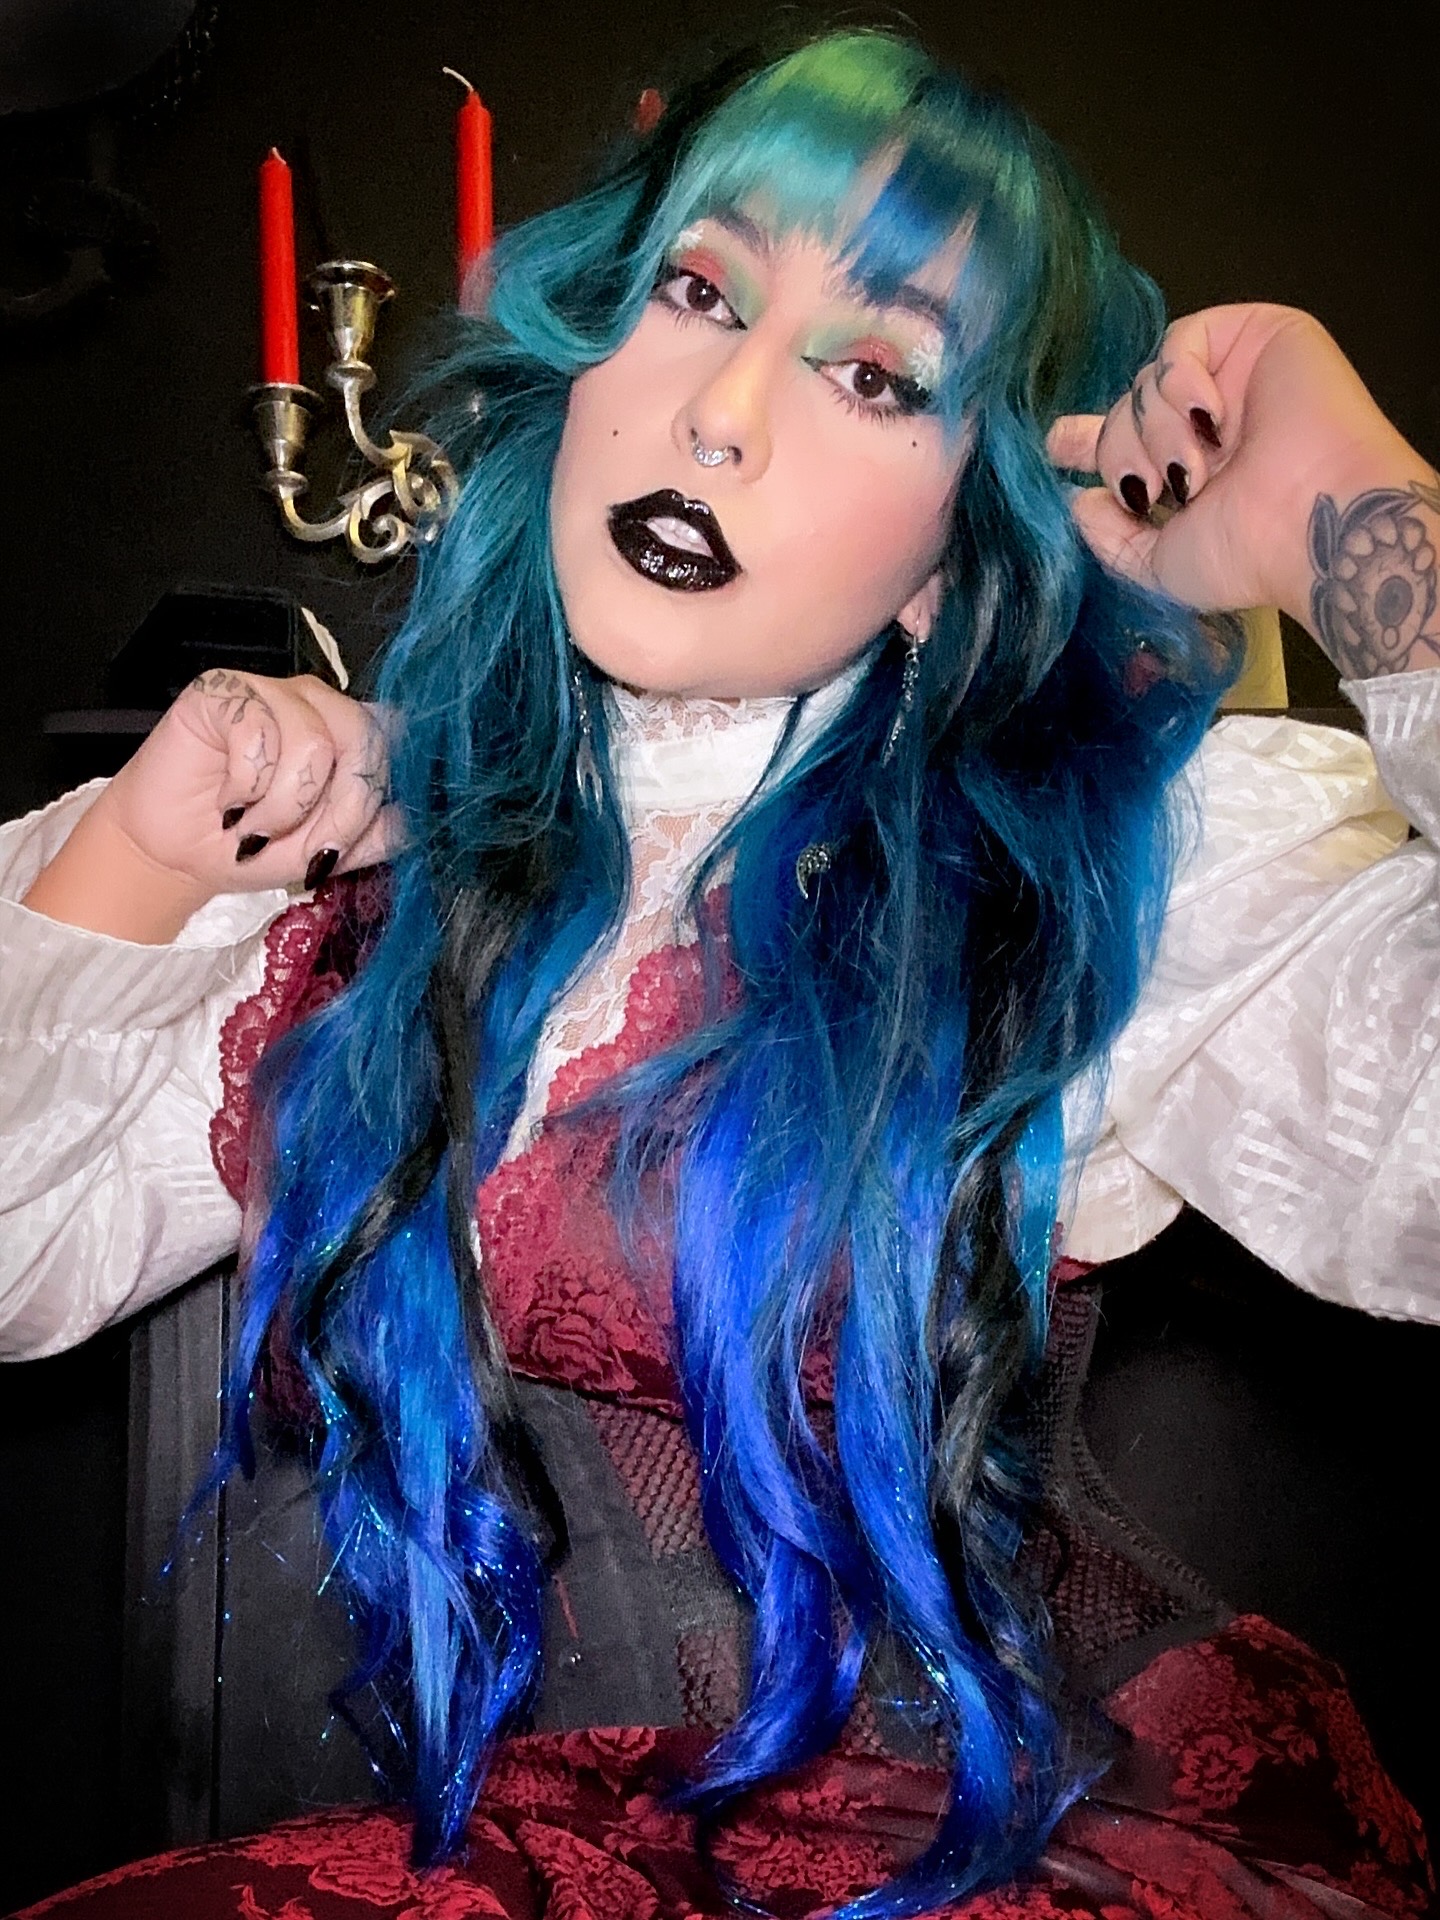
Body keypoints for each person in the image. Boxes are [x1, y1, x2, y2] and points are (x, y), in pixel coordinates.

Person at [1, 27, 1436, 1920]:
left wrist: (1369, 535)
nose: (722, 418)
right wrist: (140, 857)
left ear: (957, 547)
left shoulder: (1097, 869)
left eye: (874, 373)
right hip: (538, 1850)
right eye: (699, 293)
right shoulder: (368, 869)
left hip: (983, 1849)